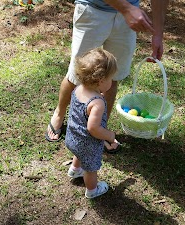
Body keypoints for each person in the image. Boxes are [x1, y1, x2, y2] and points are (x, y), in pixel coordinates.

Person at [45, 0, 169, 152]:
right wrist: (127, 9)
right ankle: (59, 113)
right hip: (93, 9)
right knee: (78, 75)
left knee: (112, 76)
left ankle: (100, 128)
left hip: (127, 18)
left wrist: (158, 33)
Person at [65, 48, 120, 198]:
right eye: (111, 78)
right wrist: (109, 135)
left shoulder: (78, 89)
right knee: (91, 168)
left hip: (72, 137)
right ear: (101, 81)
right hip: (87, 144)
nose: (112, 81)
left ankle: (75, 170)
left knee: (80, 153)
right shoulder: (97, 103)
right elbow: (93, 128)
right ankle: (92, 190)